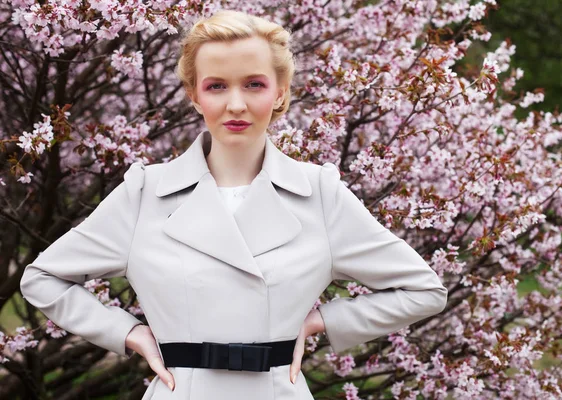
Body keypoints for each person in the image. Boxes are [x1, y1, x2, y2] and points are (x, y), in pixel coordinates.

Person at [19, 9, 448, 400]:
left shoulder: (320, 194)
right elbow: (43, 278)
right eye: (217, 86)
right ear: (193, 95)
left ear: (281, 92)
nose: (236, 104)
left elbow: (423, 290)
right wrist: (128, 332)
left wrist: (321, 322)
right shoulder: (145, 193)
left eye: (255, 84)